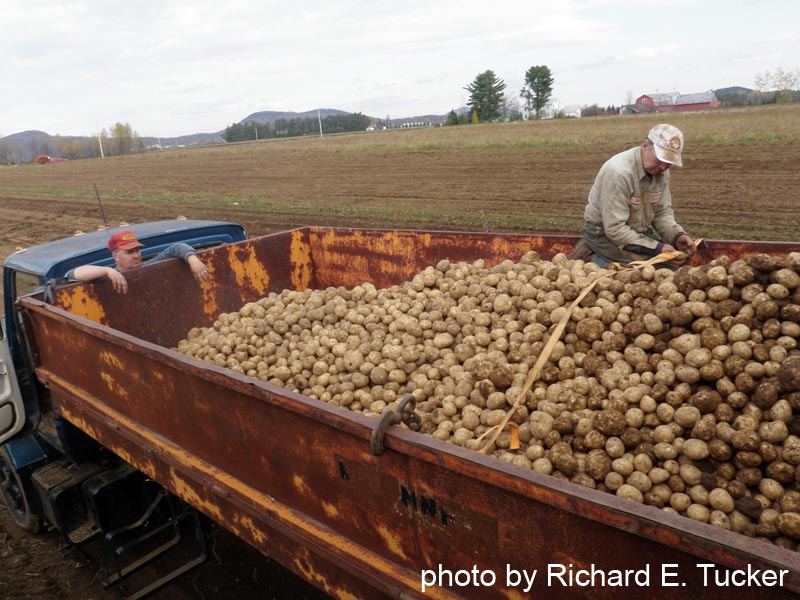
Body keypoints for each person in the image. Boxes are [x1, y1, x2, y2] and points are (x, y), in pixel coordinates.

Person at [576, 123, 695, 267]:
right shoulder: (619, 173)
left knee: (670, 263)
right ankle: (595, 259)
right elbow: (614, 229)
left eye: (669, 163)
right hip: (603, 235)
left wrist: (677, 236)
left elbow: (662, 213)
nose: (664, 167)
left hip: (636, 233)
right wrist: (657, 248)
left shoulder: (661, 172)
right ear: (645, 145)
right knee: (652, 269)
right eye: (660, 160)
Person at [69, 230, 211, 293]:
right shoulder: (107, 276)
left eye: (137, 250)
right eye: (129, 252)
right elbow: (74, 273)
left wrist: (192, 259)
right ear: (116, 256)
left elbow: (177, 247)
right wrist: (107, 270)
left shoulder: (150, 266)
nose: (136, 256)